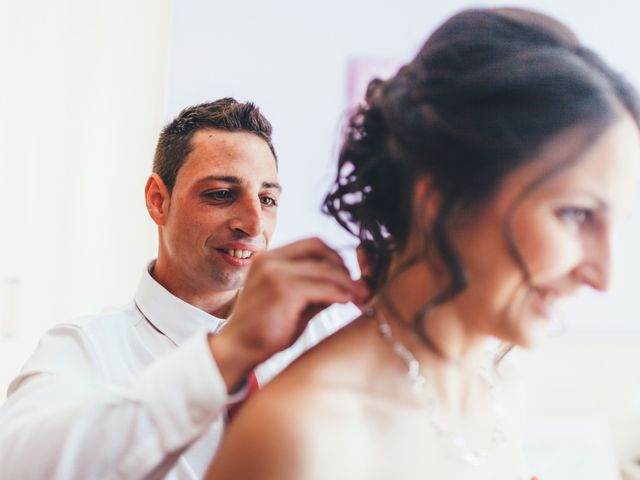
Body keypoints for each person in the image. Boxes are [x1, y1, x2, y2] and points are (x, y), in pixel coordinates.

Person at [206, 8, 640, 480]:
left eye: (617, 224)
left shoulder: (500, 392)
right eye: (575, 214)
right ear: (442, 197)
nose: (604, 277)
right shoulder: (301, 435)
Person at [0, 98, 367, 479]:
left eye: (267, 199)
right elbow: (15, 466)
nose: (254, 224)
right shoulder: (84, 348)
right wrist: (228, 354)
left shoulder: (328, 333)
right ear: (158, 200)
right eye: (221, 194)